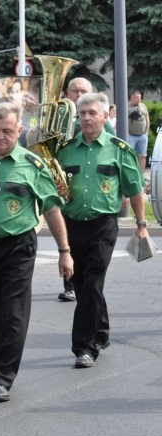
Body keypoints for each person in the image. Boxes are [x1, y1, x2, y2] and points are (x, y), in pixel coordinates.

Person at [0, 102, 73, 402]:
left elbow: (52, 210)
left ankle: (1, 378)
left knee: (13, 314)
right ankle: (1, 358)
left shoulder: (33, 164)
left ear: (19, 130)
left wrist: (64, 251)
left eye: (7, 131)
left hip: (18, 246)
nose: (0, 136)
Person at [57, 92, 147, 369]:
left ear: (104, 116)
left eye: (91, 113)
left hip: (103, 226)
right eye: (82, 114)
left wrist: (142, 225)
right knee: (82, 284)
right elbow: (54, 186)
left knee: (93, 281)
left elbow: (135, 190)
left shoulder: (119, 150)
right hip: (71, 225)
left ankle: (84, 346)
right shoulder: (65, 149)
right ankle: (101, 331)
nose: (85, 118)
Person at [56, 77, 116, 303]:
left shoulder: (101, 120)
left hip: (100, 213)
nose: (79, 94)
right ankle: (99, 333)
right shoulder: (61, 118)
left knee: (91, 283)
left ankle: (83, 338)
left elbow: (112, 151)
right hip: (70, 203)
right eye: (75, 91)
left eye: (84, 91)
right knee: (85, 279)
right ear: (67, 93)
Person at [127, 90, 150, 170]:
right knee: (129, 155)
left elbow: (147, 119)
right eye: (137, 97)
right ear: (132, 97)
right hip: (131, 136)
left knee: (142, 156)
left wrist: (146, 131)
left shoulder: (143, 106)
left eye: (140, 97)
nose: (139, 99)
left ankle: (142, 176)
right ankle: (131, 173)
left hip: (142, 136)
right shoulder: (126, 106)